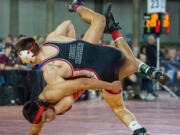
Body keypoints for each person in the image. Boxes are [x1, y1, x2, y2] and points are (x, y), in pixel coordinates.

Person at [15, 1, 170, 135]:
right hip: (98, 51)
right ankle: (79, 7)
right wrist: (74, 45)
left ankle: (138, 128)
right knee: (100, 20)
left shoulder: (50, 75)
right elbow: (68, 23)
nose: (24, 63)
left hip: (99, 73)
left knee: (118, 108)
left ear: (28, 56)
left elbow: (82, 84)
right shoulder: (52, 38)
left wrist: (108, 85)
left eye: (23, 59)